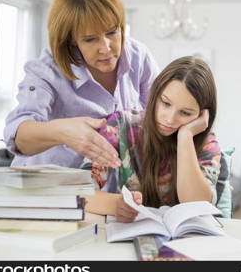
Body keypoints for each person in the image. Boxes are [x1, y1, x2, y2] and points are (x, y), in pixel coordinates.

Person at [3, 0, 159, 169]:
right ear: (71, 39)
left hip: (113, 188)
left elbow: (162, 113)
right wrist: (62, 132)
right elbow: (18, 135)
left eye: (112, 32)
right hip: (48, 187)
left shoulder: (138, 57)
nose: (106, 48)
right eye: (90, 39)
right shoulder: (47, 70)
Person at [84, 56, 221, 223]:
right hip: (134, 234)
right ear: (155, 94)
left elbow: (196, 205)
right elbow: (80, 190)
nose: (170, 119)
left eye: (185, 113)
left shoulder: (207, 144)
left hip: (188, 240)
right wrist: (115, 205)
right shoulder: (121, 126)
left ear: (202, 115)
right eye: (165, 103)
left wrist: (185, 137)